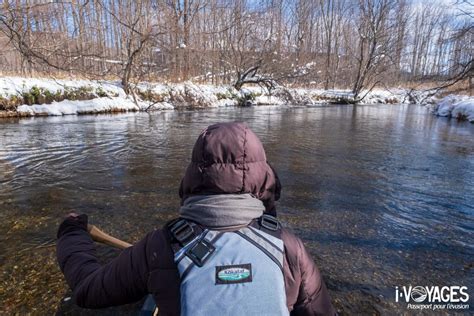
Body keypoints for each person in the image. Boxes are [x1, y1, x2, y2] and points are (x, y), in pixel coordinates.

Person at [57, 122, 336, 316]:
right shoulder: (289, 247)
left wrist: (71, 231)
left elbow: (88, 290)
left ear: (193, 176)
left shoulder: (160, 246)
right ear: (264, 178)